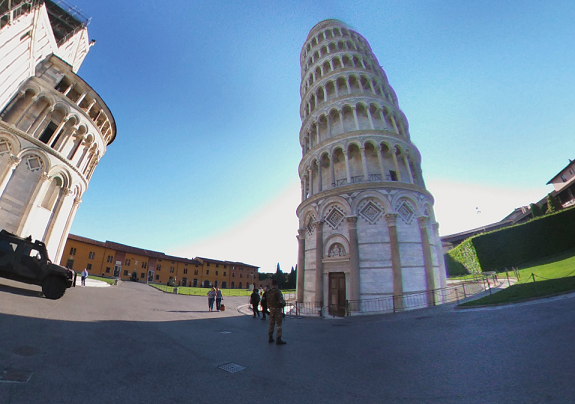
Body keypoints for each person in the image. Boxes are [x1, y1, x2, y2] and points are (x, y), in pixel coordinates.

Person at [267, 279, 286, 345]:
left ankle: (270, 337)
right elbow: (281, 301)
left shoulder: (269, 291)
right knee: (278, 324)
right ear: (277, 285)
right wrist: (283, 304)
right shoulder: (277, 291)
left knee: (271, 324)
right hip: (277, 309)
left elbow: (267, 301)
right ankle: (278, 338)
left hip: (271, 309)